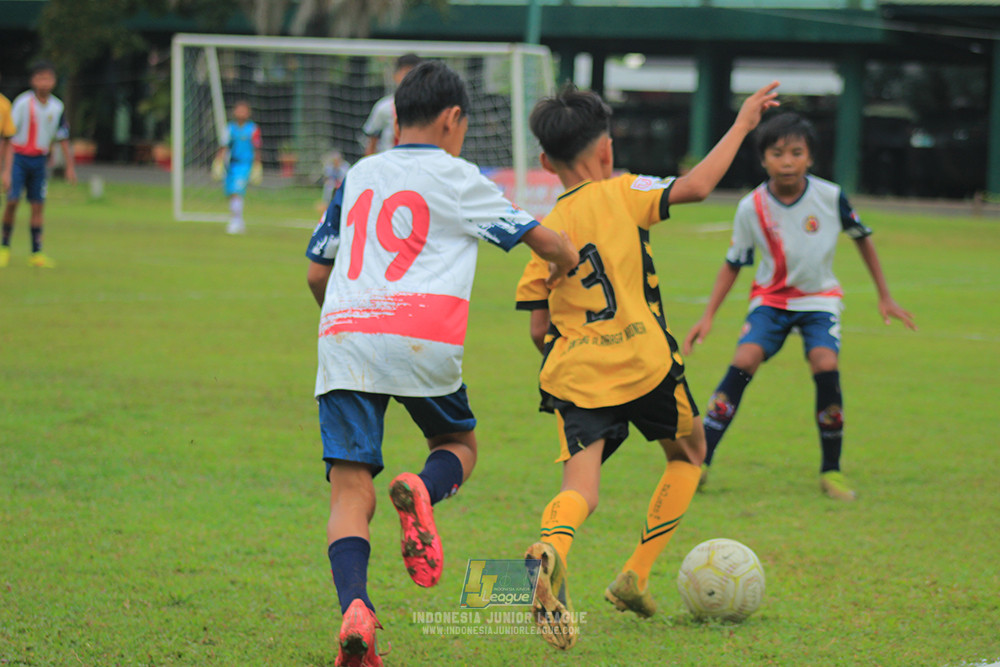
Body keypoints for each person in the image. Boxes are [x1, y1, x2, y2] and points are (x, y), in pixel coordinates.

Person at [304, 61, 578, 667]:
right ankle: (423, 491)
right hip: (423, 338)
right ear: (454, 119)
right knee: (459, 442)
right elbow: (547, 241)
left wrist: (348, 324)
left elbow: (316, 272)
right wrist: (565, 266)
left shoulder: (356, 175)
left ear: (396, 117)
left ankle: (357, 609)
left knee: (349, 492)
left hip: (346, 337)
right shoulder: (460, 177)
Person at [515, 82, 780, 649]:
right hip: (646, 364)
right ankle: (635, 572)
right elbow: (699, 186)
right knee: (689, 455)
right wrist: (741, 124)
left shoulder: (544, 231)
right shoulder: (624, 189)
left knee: (580, 488)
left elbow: (539, 329)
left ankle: (552, 549)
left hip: (576, 377)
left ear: (544, 162)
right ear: (606, 151)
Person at [682, 112, 916, 501]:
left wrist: (885, 295)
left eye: (796, 152)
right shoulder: (750, 207)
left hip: (819, 300)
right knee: (743, 362)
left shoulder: (829, 196)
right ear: (763, 160)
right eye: (777, 153)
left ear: (810, 158)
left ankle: (832, 471)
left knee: (826, 364)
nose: (787, 161)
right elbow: (733, 264)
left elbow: (862, 238)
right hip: (770, 302)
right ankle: (700, 462)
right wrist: (707, 316)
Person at [1, 60, 75, 269]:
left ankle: (36, 252)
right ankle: (4, 247)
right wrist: (5, 169)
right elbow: (9, 135)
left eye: (48, 78)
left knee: (37, 205)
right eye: (40, 77)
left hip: (39, 161)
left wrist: (70, 167)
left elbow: (63, 138)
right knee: (12, 201)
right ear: (33, 80)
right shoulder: (22, 103)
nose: (44, 82)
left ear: (54, 81)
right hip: (19, 158)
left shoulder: (57, 106)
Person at [213, 100, 261, 234]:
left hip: (245, 164)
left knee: (236, 192)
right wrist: (218, 162)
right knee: (231, 193)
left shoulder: (253, 129)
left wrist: (257, 165)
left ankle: (235, 221)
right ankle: (238, 220)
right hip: (231, 164)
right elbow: (223, 146)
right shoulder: (229, 128)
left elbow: (257, 148)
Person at [362, 53, 421, 156]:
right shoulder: (384, 108)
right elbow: (371, 143)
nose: (411, 80)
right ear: (396, 76)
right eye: (406, 74)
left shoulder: (430, 108)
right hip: (389, 166)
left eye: (415, 75)